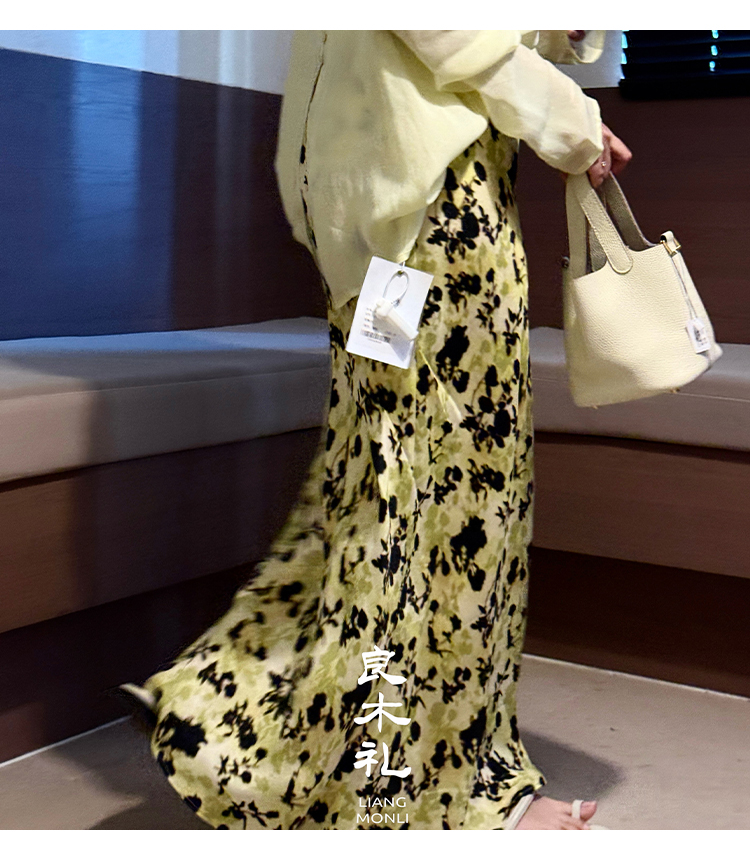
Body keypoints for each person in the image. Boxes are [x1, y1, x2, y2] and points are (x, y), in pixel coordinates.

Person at [122, 30, 632, 830]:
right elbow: (452, 31)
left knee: (385, 490)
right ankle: (446, 791)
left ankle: (274, 731)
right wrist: (571, 122)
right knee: (454, 506)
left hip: (389, 215)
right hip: (440, 210)